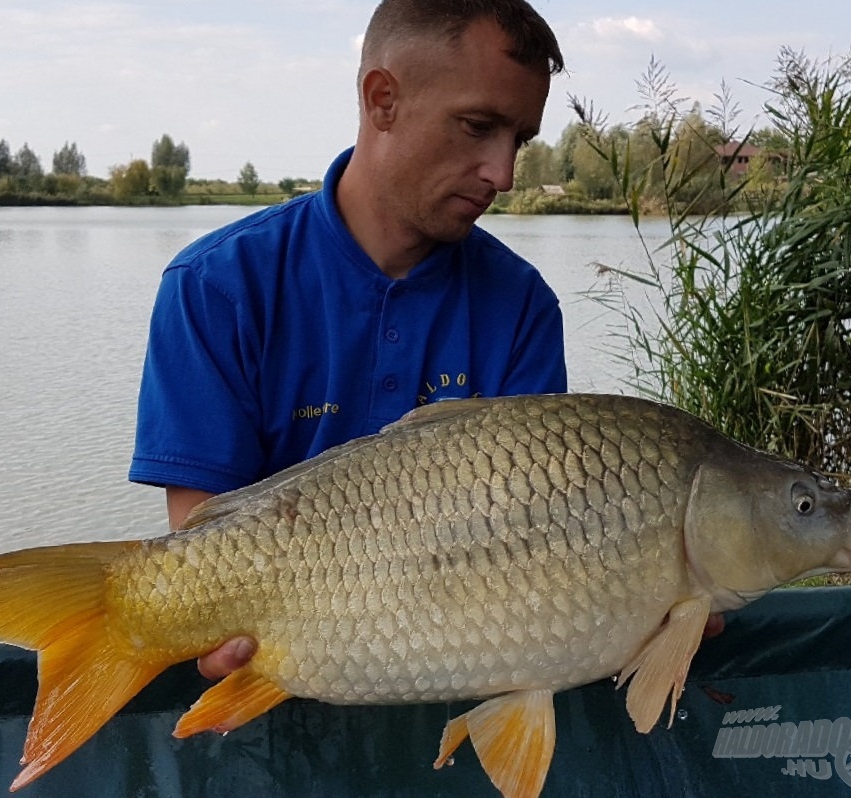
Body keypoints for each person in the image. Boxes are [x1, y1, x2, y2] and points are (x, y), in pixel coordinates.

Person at [130, 0, 568, 679]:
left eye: (520, 139)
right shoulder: (216, 285)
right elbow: (205, 543)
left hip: (460, 671)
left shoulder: (523, 307)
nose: (503, 174)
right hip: (280, 693)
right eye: (479, 127)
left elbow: (537, 553)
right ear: (382, 99)